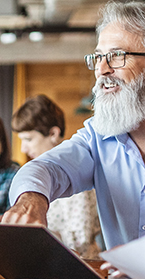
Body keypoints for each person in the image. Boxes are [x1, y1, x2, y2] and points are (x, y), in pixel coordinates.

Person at [4, 1, 145, 249]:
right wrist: (31, 198)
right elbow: (48, 167)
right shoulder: (98, 137)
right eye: (99, 57)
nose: (101, 69)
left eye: (116, 56)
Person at [11, 95, 101, 258]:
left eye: (29, 139)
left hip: (82, 267)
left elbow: (80, 242)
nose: (23, 148)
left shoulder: (76, 172)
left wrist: (36, 232)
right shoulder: (40, 175)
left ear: (53, 133)